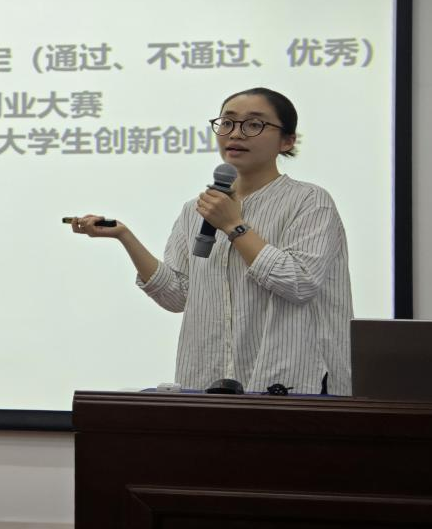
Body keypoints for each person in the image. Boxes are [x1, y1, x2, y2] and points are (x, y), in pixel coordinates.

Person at [69, 88, 352, 395]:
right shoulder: (196, 209)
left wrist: (233, 226)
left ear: (287, 141)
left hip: (293, 383)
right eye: (227, 123)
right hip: (207, 383)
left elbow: (299, 283)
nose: (236, 134)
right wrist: (125, 237)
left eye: (254, 124)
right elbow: (177, 295)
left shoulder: (310, 201)